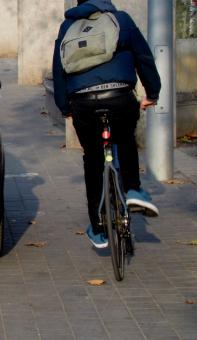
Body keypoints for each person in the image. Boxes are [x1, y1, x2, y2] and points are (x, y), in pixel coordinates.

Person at [52, 0, 161, 248]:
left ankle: (98, 228)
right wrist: (152, 93)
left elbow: (58, 70)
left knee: (92, 158)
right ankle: (133, 190)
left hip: (83, 103)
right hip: (119, 96)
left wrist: (65, 107)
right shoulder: (121, 20)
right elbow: (144, 58)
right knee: (124, 139)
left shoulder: (67, 26)